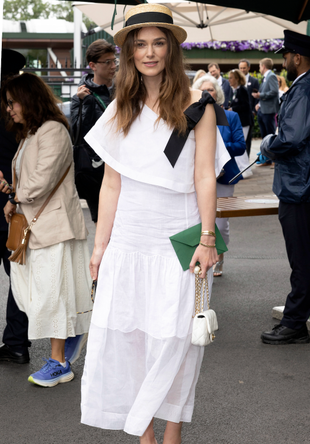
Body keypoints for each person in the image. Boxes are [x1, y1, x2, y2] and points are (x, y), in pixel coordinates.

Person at [80, 4, 229, 442]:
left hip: (179, 237)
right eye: (140, 44)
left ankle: (172, 434)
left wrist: (207, 238)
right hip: (129, 236)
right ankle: (144, 434)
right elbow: (110, 184)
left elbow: (205, 175)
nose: (149, 52)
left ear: (171, 49)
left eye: (158, 43)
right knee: (132, 338)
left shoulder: (195, 105)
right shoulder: (117, 108)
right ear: (128, 52)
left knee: (176, 340)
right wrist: (99, 247)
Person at [2, 73, 92, 386]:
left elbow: (42, 181)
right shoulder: (32, 132)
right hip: (40, 226)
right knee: (37, 294)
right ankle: (65, 345)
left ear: (29, 99)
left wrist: (15, 195)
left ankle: (59, 361)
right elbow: (33, 179)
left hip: (53, 226)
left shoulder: (52, 130)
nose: (9, 109)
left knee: (51, 296)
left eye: (12, 102)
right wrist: (11, 189)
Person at [259, 30, 310, 345]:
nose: (284, 62)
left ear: (297, 57)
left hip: (300, 184)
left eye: (285, 56)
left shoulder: (307, 88)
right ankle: (296, 319)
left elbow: (290, 138)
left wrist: (268, 143)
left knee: (302, 257)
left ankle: (295, 323)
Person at [193, 75, 246, 277]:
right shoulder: (193, 115)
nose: (208, 93)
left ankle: (220, 255)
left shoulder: (231, 117)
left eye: (212, 89)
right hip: (199, 177)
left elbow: (241, 146)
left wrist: (217, 148)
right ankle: (202, 255)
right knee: (201, 221)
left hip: (225, 177)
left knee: (221, 224)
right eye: (204, 90)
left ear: (218, 93)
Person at [0, 49, 31, 364]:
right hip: (16, 206)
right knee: (18, 278)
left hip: (12, 201)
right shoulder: (19, 114)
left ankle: (16, 343)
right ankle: (17, 342)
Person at [71, 39, 117, 224]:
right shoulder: (82, 96)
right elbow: (77, 133)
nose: (113, 66)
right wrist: (85, 103)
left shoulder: (121, 89)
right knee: (103, 222)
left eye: (114, 61)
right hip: (95, 170)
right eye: (108, 62)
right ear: (93, 66)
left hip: (121, 164)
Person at [252, 58, 279, 166]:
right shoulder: (266, 77)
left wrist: (260, 95)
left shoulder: (271, 76)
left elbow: (274, 91)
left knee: (270, 136)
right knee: (264, 137)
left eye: (259, 66)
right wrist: (259, 104)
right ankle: (267, 159)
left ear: (263, 66)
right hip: (263, 110)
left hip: (269, 111)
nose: (259, 68)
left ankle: (273, 159)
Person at [228, 69, 253, 178]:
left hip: (244, 122)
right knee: (239, 144)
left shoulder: (242, 90)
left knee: (240, 145)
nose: (229, 80)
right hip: (239, 123)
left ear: (237, 79)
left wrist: (232, 108)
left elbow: (246, 106)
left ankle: (245, 169)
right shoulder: (235, 90)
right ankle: (242, 168)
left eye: (231, 78)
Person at [238, 59, 260, 156]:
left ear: (248, 68)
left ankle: (246, 159)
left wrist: (254, 110)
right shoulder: (236, 81)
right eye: (240, 68)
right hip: (237, 114)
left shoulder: (254, 81)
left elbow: (257, 96)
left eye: (244, 68)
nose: (242, 70)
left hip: (249, 115)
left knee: (247, 138)